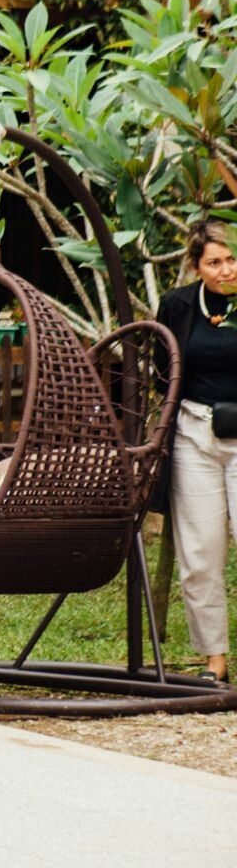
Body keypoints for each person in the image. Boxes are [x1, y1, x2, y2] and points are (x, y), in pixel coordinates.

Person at [157, 220, 237, 682]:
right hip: (194, 433)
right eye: (214, 262)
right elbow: (161, 366)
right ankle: (215, 660)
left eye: (231, 259)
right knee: (200, 554)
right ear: (196, 267)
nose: (226, 269)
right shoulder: (179, 305)